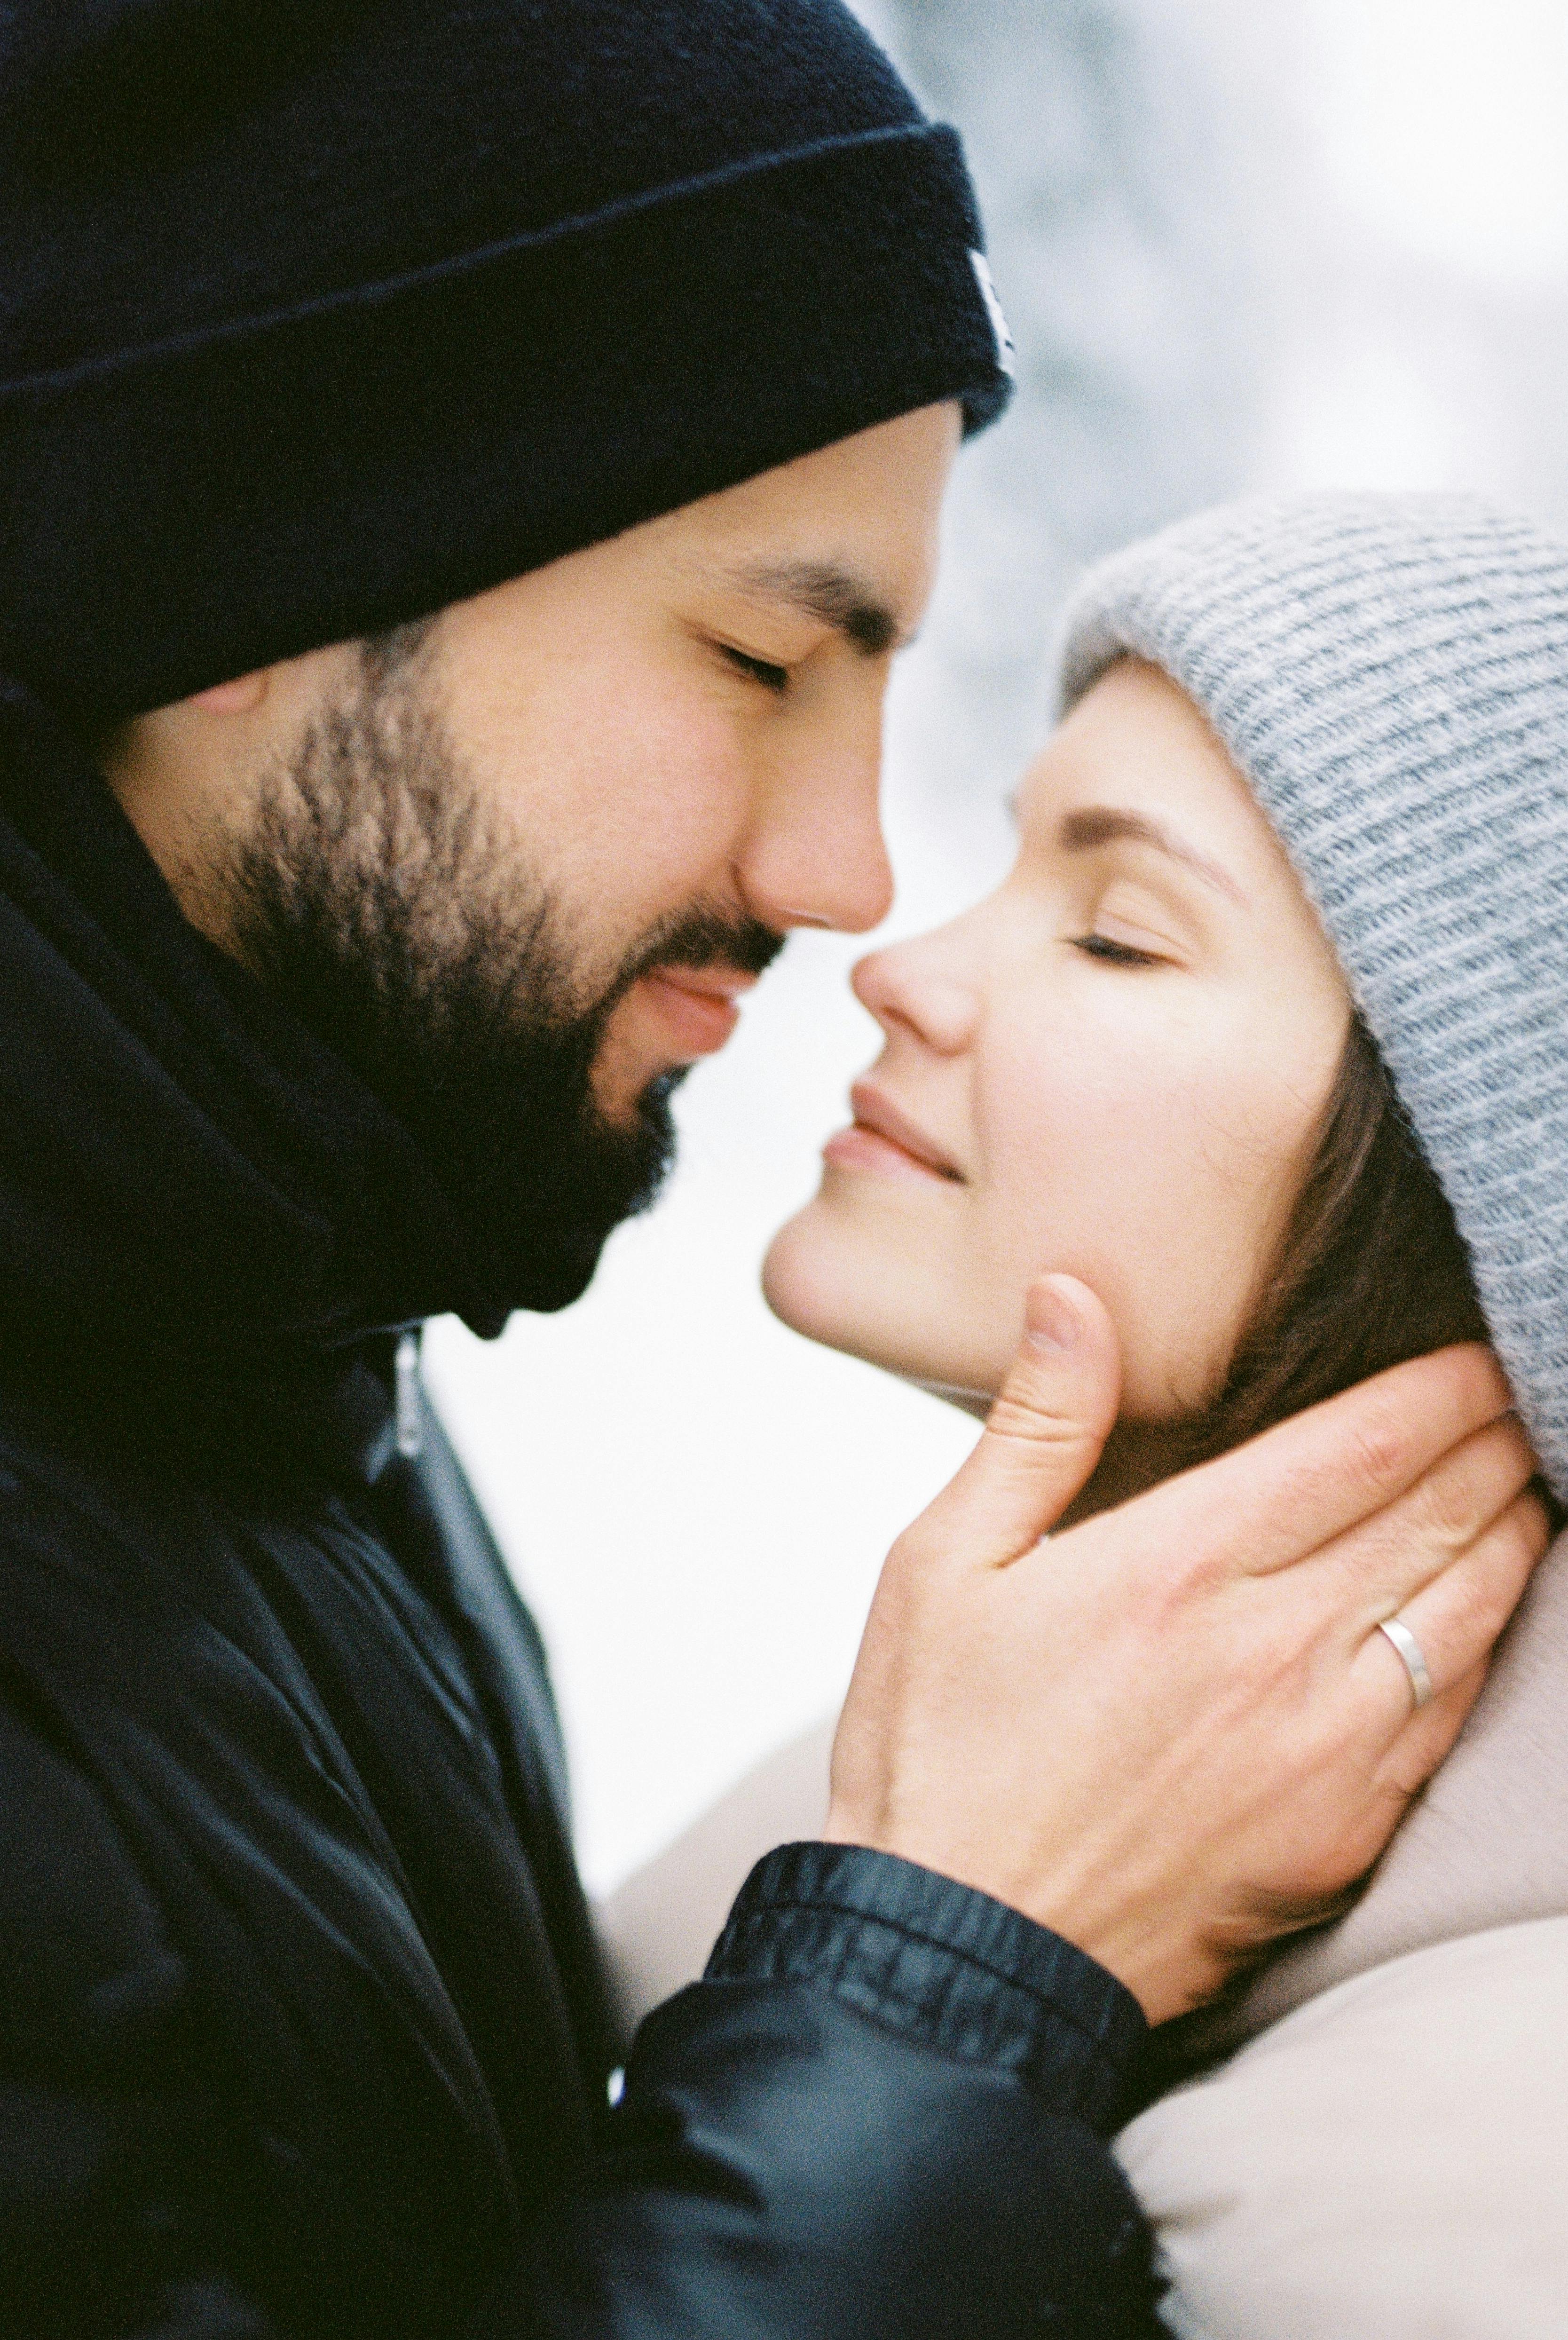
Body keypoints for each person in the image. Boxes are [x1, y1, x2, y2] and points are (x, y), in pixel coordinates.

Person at [0, 8, 1544, 2334]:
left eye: (1119, 926)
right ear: (266, 558)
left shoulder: (277, 1342)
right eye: (759, 657)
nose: (858, 887)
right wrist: (929, 1997)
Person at [763, 488, 1568, 2332]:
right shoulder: (871, 1820)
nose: (904, 964)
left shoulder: (1429, 2209)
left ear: (1485, 1194)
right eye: (1011, 861)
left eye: (1118, 931)